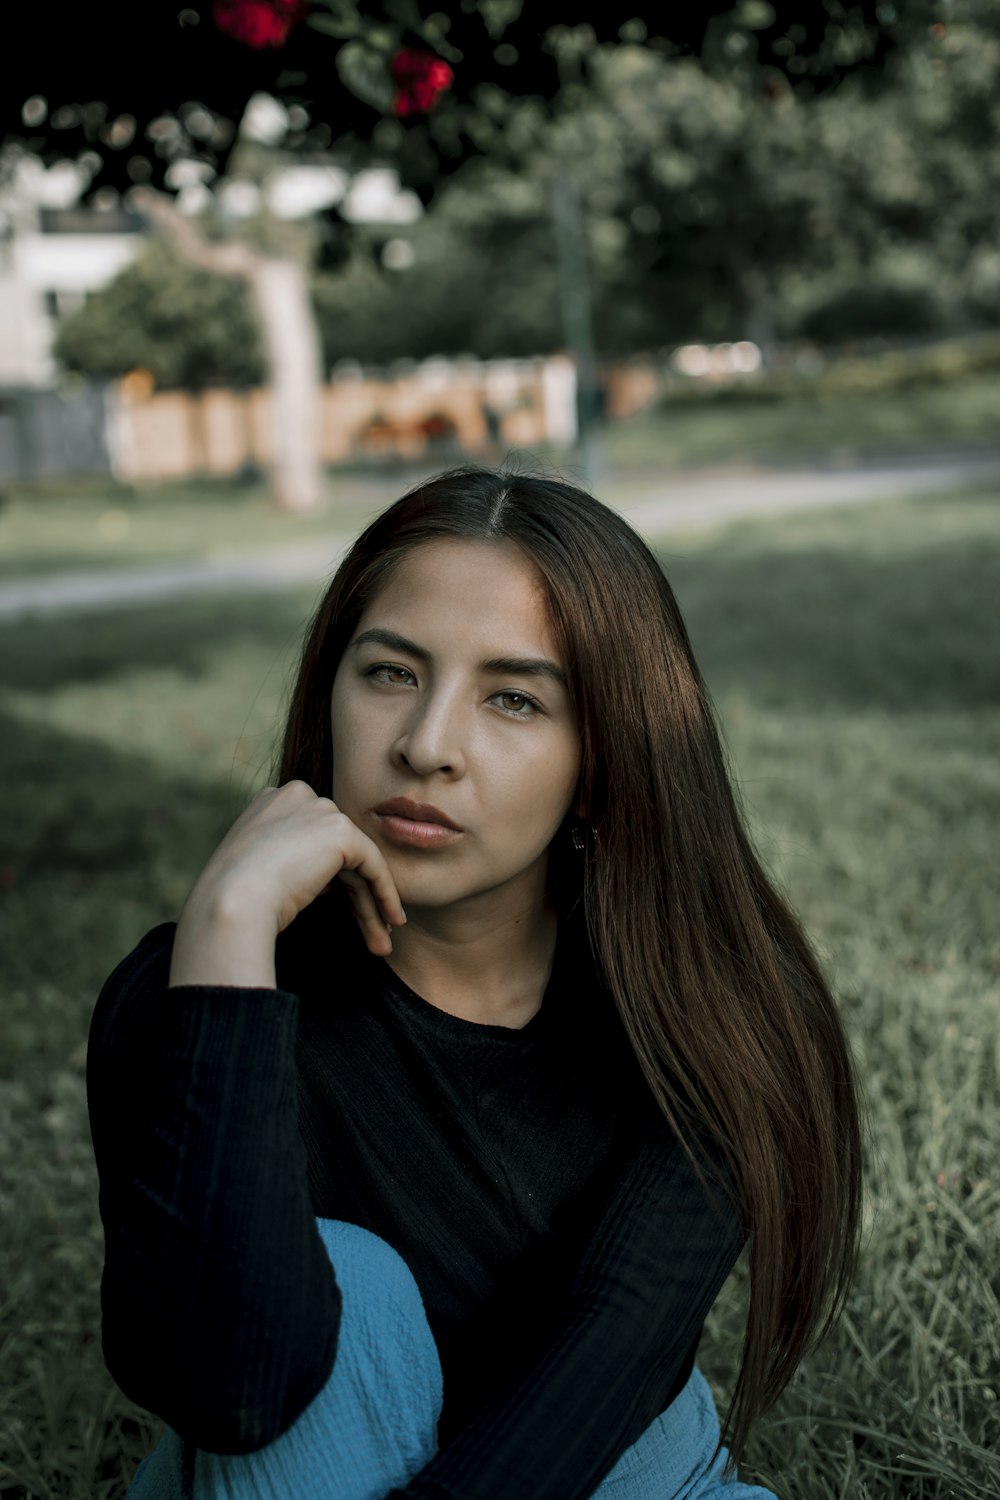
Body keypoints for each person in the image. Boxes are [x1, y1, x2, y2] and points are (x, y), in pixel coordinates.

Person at [87, 464, 863, 1500]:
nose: (425, 746)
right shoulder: (187, 998)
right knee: (348, 1289)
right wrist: (228, 946)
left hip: (609, 1470)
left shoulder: (710, 1007)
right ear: (332, 688)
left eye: (512, 698)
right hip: (288, 1473)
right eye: (391, 674)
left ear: (604, 759)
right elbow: (228, 1394)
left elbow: (594, 1381)